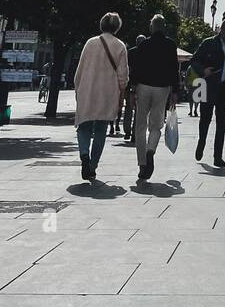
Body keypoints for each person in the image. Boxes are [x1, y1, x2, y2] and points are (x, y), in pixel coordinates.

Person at [72, 12, 128, 182]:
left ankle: (84, 154)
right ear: (117, 27)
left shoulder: (90, 43)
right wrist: (122, 93)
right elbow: (123, 76)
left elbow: (79, 70)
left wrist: (77, 88)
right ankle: (93, 166)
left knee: (84, 125)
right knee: (101, 129)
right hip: (107, 92)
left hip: (88, 90)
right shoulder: (120, 46)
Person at [131, 15, 180, 182]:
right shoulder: (170, 45)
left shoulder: (144, 44)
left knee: (140, 125)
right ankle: (150, 150)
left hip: (143, 87)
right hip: (162, 88)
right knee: (156, 124)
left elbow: (135, 68)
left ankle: (142, 164)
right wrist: (175, 91)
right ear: (164, 27)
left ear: (152, 27)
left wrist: (132, 89)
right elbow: (174, 69)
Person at [191, 19, 225, 168]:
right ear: (221, 30)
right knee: (205, 120)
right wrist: (203, 70)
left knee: (221, 124)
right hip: (207, 87)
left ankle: (217, 156)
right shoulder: (208, 43)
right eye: (224, 30)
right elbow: (194, 60)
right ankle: (201, 143)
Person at [123, 35, 147, 142]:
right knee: (139, 111)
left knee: (128, 108)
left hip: (130, 85)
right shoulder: (148, 53)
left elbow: (125, 68)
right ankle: (134, 133)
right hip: (142, 85)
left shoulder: (130, 52)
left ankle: (128, 131)